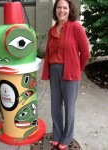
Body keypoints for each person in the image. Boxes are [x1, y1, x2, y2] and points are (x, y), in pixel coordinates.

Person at [42, 0, 90, 149]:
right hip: (54, 70)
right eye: (59, 7)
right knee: (55, 105)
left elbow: (86, 53)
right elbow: (49, 54)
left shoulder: (75, 27)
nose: (61, 10)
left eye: (65, 8)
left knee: (69, 107)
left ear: (69, 10)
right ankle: (57, 134)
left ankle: (67, 137)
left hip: (70, 71)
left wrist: (77, 69)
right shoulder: (52, 30)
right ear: (55, 10)